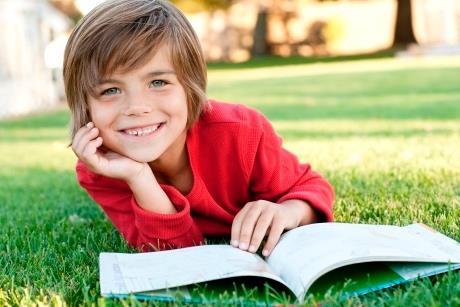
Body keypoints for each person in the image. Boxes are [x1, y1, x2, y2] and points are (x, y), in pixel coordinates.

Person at [63, 0, 334, 257]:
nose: (137, 107)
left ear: (189, 87)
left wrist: (290, 211)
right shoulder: (101, 169)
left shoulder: (242, 132)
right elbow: (170, 252)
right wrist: (139, 178)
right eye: (110, 90)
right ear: (84, 105)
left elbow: (312, 187)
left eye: (158, 82)